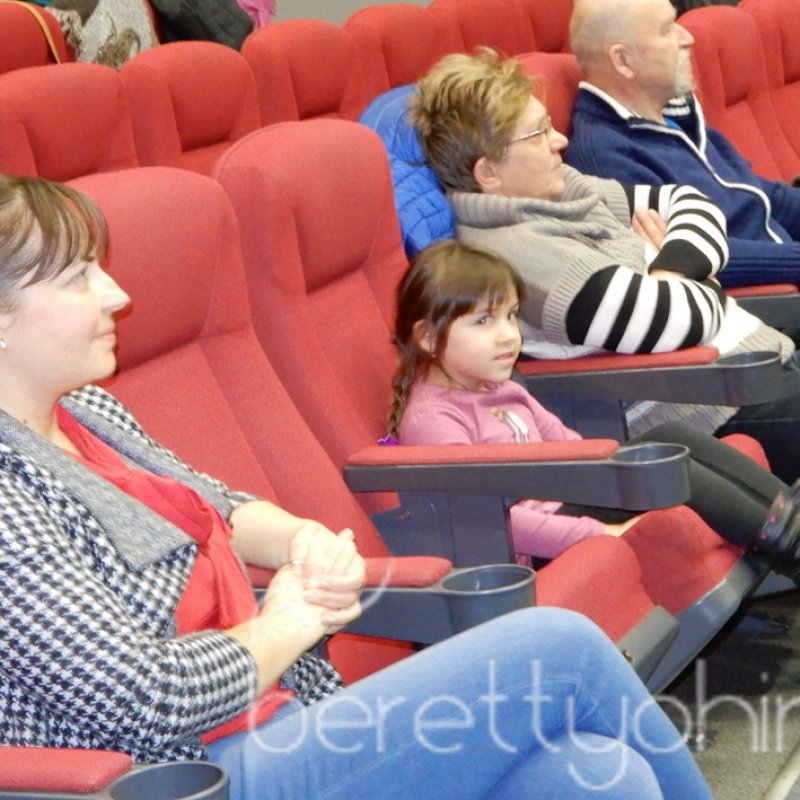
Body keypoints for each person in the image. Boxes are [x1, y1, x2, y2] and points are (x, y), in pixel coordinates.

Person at [0, 174, 717, 798]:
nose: (117, 294)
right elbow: (145, 700)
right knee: (559, 648)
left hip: (278, 715)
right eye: (79, 278)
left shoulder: (88, 411)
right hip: (187, 773)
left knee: (592, 773)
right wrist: (291, 619)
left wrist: (304, 541)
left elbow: (220, 506)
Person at [409, 47, 800, 483]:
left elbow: (693, 202)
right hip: (714, 407)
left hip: (761, 364)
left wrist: (668, 272)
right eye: (538, 134)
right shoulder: (522, 258)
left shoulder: (565, 190)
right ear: (488, 174)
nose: (559, 141)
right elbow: (684, 321)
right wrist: (694, 272)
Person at [389, 239, 800, 569]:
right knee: (661, 464)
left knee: (669, 437)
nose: (508, 335)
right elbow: (494, 522)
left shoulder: (499, 387)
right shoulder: (433, 420)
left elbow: (572, 450)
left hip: (564, 504)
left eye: (511, 316)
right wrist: (600, 533)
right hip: (535, 545)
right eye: (484, 321)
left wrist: (617, 474)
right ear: (428, 337)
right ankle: (787, 544)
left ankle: (789, 523)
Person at [566, 0, 800, 289]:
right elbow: (690, 253)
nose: (687, 38)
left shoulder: (671, 118)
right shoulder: (606, 158)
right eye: (667, 30)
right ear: (622, 60)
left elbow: (760, 196)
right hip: (764, 304)